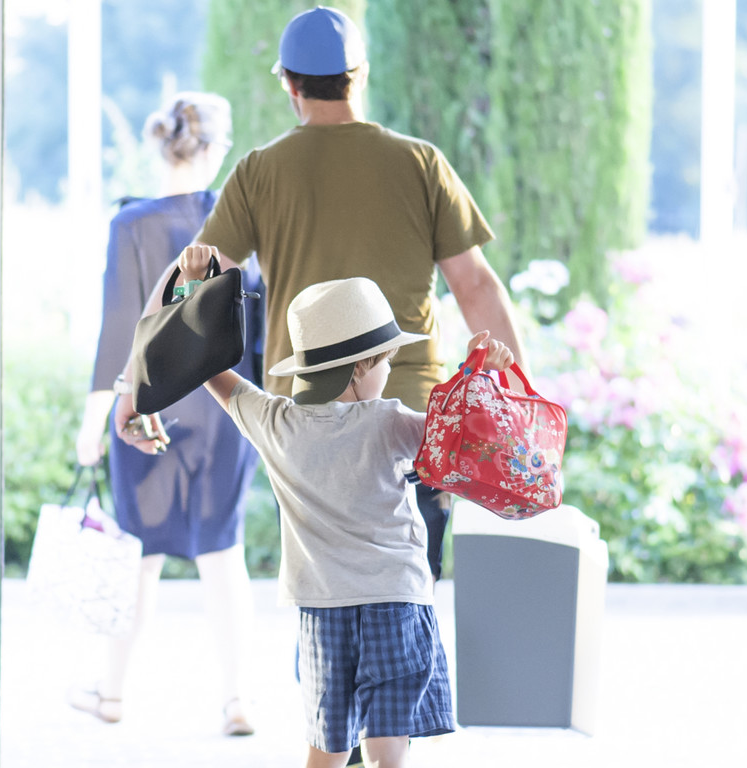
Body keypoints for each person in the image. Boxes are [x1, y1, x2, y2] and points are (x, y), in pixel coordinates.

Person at [112, 5, 526, 585]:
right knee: (412, 592)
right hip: (411, 416)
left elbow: (190, 280)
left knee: (320, 597)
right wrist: (517, 400)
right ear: (360, 75)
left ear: (290, 85)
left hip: (306, 430)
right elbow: (477, 287)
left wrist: (136, 385)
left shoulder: (260, 172)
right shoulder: (420, 163)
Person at [130, 260, 517, 768]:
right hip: (396, 601)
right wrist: (479, 374)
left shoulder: (273, 422)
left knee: (326, 750)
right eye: (385, 361)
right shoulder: (390, 421)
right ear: (359, 366)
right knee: (387, 755)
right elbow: (467, 443)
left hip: (323, 610)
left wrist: (197, 287)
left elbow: (207, 369)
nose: (387, 371)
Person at [72, 92, 263, 736]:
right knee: (223, 554)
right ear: (213, 149)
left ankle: (113, 692)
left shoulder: (130, 225)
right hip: (226, 408)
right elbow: (255, 325)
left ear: (162, 145)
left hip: (146, 410)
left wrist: (93, 422)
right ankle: (237, 700)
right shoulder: (241, 225)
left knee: (139, 557)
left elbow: (119, 330)